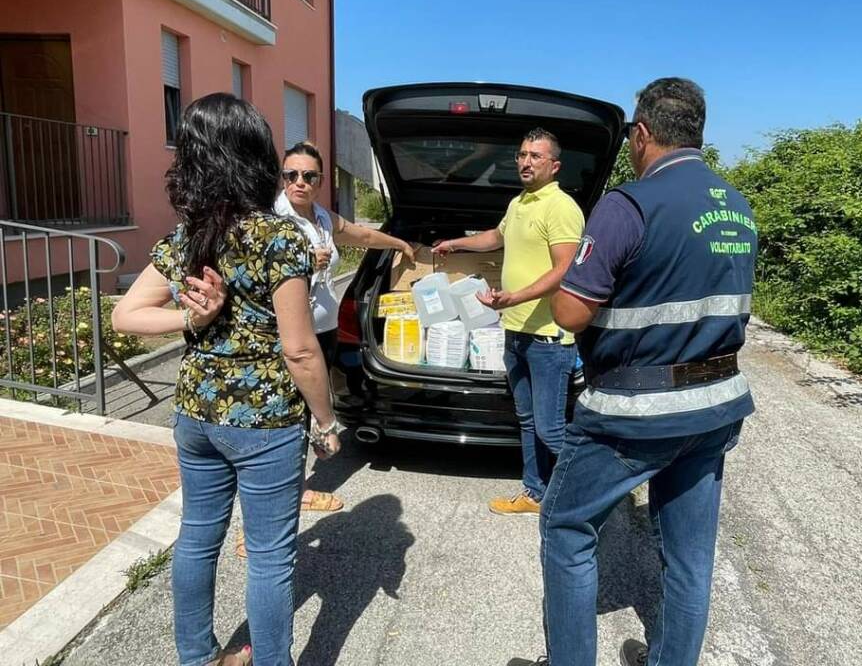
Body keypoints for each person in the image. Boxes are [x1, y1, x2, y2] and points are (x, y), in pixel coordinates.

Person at [511, 78, 758, 666]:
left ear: (642, 134)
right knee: (690, 557)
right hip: (715, 406)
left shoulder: (628, 205)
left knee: (568, 530)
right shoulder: (737, 206)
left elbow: (571, 312)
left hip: (632, 412)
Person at [112, 93, 341, 666]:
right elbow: (299, 348)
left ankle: (198, 658)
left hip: (195, 417)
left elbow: (125, 315)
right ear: (256, 158)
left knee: (197, 538)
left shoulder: (188, 236)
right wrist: (328, 422)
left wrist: (191, 318)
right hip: (263, 423)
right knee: (268, 557)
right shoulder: (279, 238)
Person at [230, 140, 414, 557]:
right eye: (291, 174)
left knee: (298, 423)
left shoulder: (321, 218)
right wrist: (300, 264)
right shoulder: (269, 220)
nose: (300, 182)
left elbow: (360, 233)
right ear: (281, 177)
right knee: (274, 431)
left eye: (309, 176)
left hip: (323, 331)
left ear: (320, 181)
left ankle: (299, 491)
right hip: (286, 336)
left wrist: (398, 243)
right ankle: (252, 530)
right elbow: (247, 277)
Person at [433, 128, 583, 515]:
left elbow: (565, 270)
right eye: (521, 155)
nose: (526, 162)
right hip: (515, 331)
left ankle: (586, 497)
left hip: (548, 338)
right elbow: (495, 237)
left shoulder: (561, 207)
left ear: (555, 165)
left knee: (551, 428)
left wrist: (514, 296)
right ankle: (535, 494)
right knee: (528, 420)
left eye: (535, 156)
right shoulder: (519, 203)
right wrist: (457, 243)